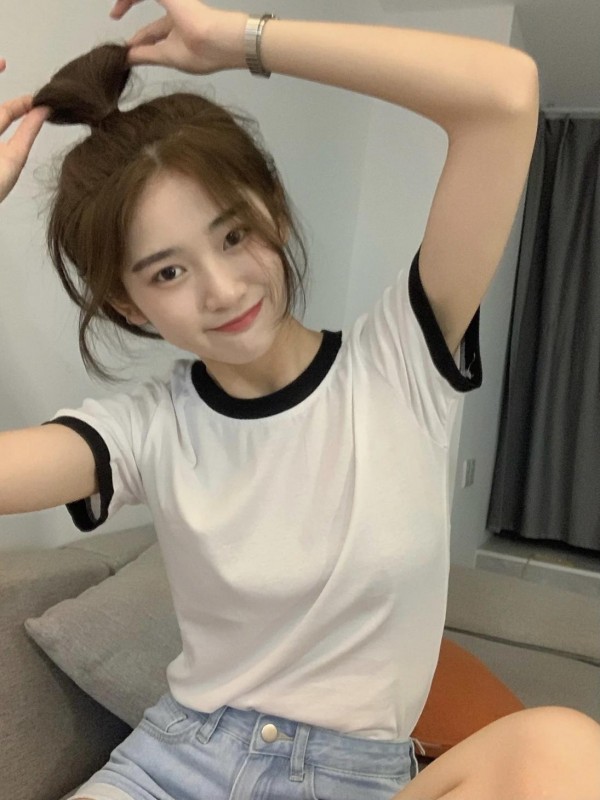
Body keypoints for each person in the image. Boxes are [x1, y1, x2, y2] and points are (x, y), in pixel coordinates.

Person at [2, 2, 600, 799]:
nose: (223, 289)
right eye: (168, 272)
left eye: (233, 235)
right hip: (174, 772)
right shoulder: (143, 430)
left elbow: (505, 95)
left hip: (357, 779)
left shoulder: (400, 361)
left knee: (565, 751)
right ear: (126, 303)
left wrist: (240, 41)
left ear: (274, 210)